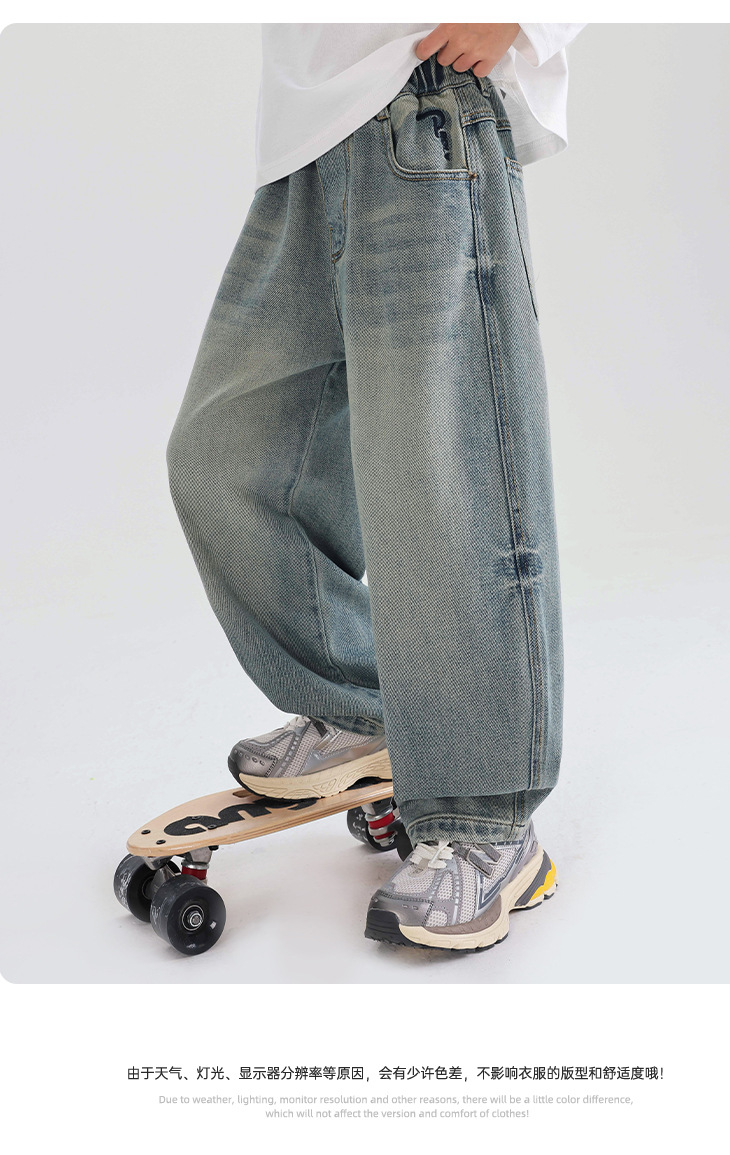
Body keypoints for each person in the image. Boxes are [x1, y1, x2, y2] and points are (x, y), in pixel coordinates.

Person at [166, 22, 585, 952]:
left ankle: (488, 822)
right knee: (225, 457)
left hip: (424, 108)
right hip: (307, 145)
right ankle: (364, 709)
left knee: (448, 487)